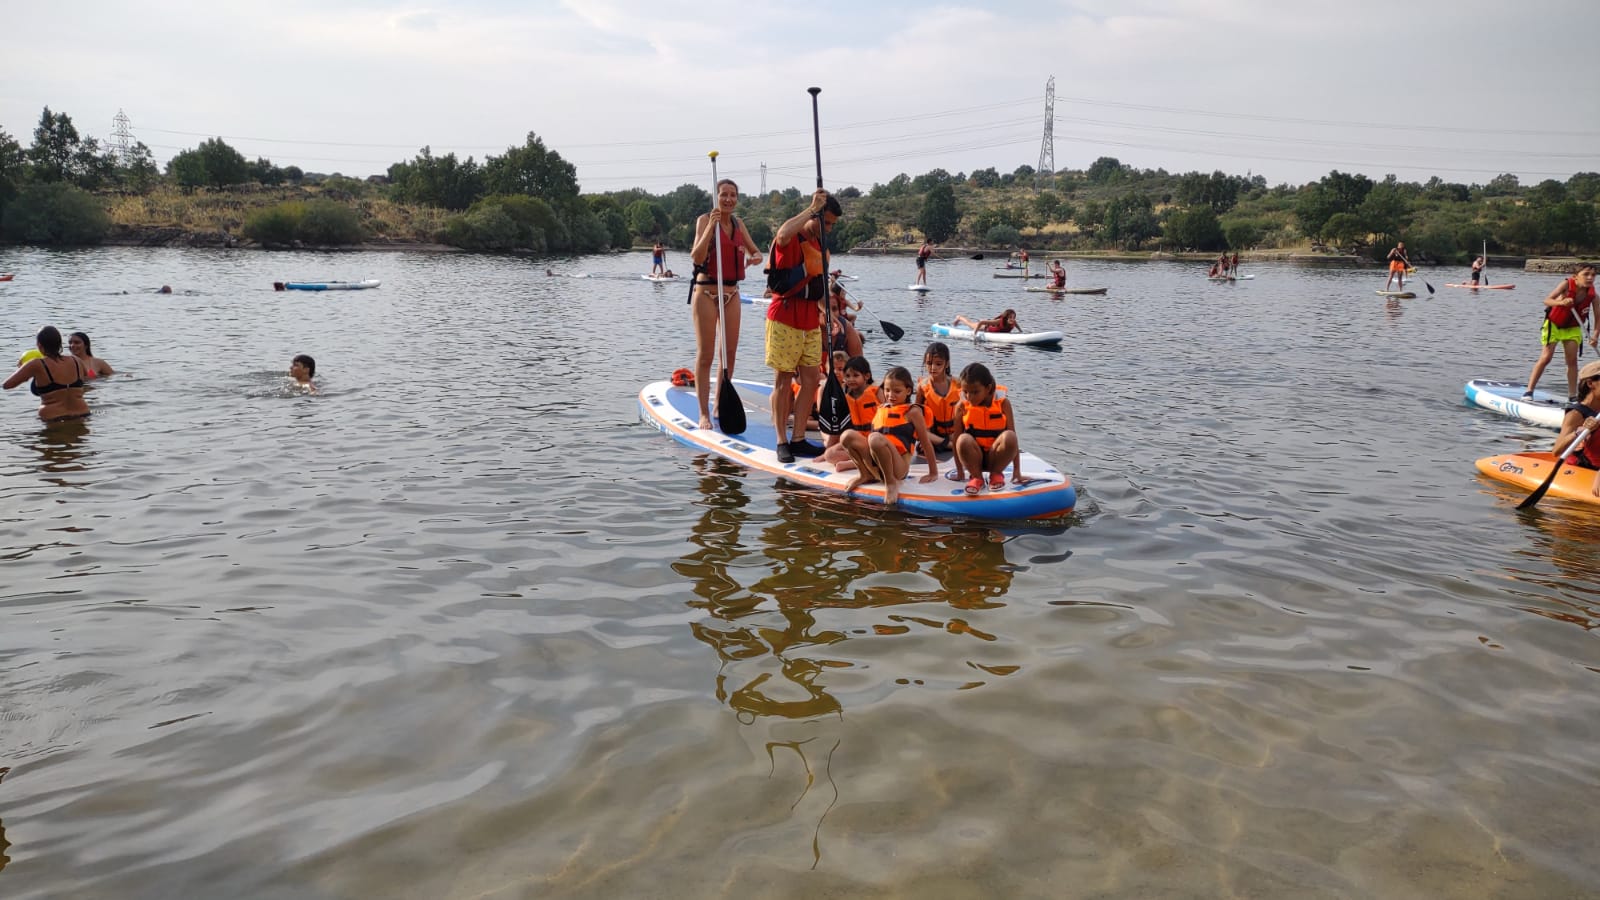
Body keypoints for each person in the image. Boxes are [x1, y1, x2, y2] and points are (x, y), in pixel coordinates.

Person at [765, 188, 840, 463]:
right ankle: (781, 440)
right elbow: (782, 234)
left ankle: (798, 438)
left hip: (809, 319)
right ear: (816, 215)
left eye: (832, 224)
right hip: (784, 316)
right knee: (783, 380)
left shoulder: (822, 249)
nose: (828, 229)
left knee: (810, 380)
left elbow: (818, 292)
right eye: (826, 222)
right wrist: (812, 208)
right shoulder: (793, 236)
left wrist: (830, 317)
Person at [689, 177, 763, 430]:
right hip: (706, 292)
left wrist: (754, 258)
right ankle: (703, 413)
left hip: (731, 293)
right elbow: (696, 256)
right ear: (716, 196)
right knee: (706, 354)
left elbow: (757, 252)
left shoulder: (738, 223)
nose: (728, 199)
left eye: (733, 195)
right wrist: (711, 225)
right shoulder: (703, 220)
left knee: (728, 354)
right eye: (724, 194)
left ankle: (721, 402)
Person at [841, 366, 938, 507]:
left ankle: (890, 482)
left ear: (908, 391)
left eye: (897, 391)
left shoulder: (913, 412)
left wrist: (933, 473)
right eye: (887, 390)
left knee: (875, 438)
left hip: (898, 468)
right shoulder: (882, 408)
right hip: (876, 464)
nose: (891, 395)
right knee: (846, 436)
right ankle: (864, 474)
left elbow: (926, 442)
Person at [1524, 264, 1598, 402]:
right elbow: (1547, 300)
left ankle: (1572, 396)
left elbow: (1598, 319)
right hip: (1554, 325)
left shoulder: (1593, 295)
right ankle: (1529, 391)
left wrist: (1595, 336)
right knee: (1546, 357)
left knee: (1572, 360)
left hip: (1573, 328)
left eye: (1593, 275)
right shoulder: (1566, 284)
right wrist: (1562, 302)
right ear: (1575, 277)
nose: (1590, 278)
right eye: (1586, 274)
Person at [951, 362, 1022, 495]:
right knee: (962, 439)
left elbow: (1014, 439)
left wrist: (1017, 471)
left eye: (975, 392)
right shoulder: (961, 407)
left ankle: (996, 475)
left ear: (988, 388)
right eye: (965, 392)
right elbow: (956, 442)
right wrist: (960, 471)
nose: (969, 397)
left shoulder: (1003, 404)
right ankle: (976, 477)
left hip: (996, 458)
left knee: (1010, 436)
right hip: (973, 459)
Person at [4, 326, 91, 421]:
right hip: (83, 414)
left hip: (54, 419)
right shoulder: (77, 361)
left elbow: (7, 385)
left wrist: (23, 368)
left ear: (39, 345)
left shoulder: (36, 364)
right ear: (60, 344)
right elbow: (88, 376)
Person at [821, 355, 877, 470]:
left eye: (856, 375)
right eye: (847, 376)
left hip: (875, 440)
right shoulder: (845, 398)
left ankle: (854, 463)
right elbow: (837, 426)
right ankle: (861, 461)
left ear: (867, 376)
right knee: (829, 455)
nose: (851, 379)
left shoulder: (876, 392)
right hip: (857, 440)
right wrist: (825, 452)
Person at [1554, 360, 1600, 497]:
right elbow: (1557, 450)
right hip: (1585, 467)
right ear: (1590, 383)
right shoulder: (1576, 414)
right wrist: (1580, 431)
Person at [917, 341, 961, 454]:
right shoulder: (922, 387)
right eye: (929, 363)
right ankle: (951, 446)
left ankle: (951, 444)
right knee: (922, 433)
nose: (933, 368)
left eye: (938, 364)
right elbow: (918, 416)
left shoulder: (958, 384)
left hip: (954, 433)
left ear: (946, 364)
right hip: (933, 435)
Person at [825, 283, 864, 359]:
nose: (845, 293)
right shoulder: (831, 298)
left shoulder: (845, 301)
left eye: (845, 291)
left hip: (843, 322)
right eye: (843, 291)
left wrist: (859, 306)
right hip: (838, 322)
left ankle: (851, 327)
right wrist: (832, 281)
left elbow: (855, 308)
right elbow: (829, 288)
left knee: (854, 318)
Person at [953, 309, 1021, 333]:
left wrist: (1020, 331)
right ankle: (959, 317)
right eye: (1010, 317)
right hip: (984, 327)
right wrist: (975, 333)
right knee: (970, 324)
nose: (1012, 319)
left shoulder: (1013, 321)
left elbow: (1016, 325)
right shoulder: (998, 321)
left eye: (1014, 317)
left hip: (988, 324)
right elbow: (981, 323)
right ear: (1006, 318)